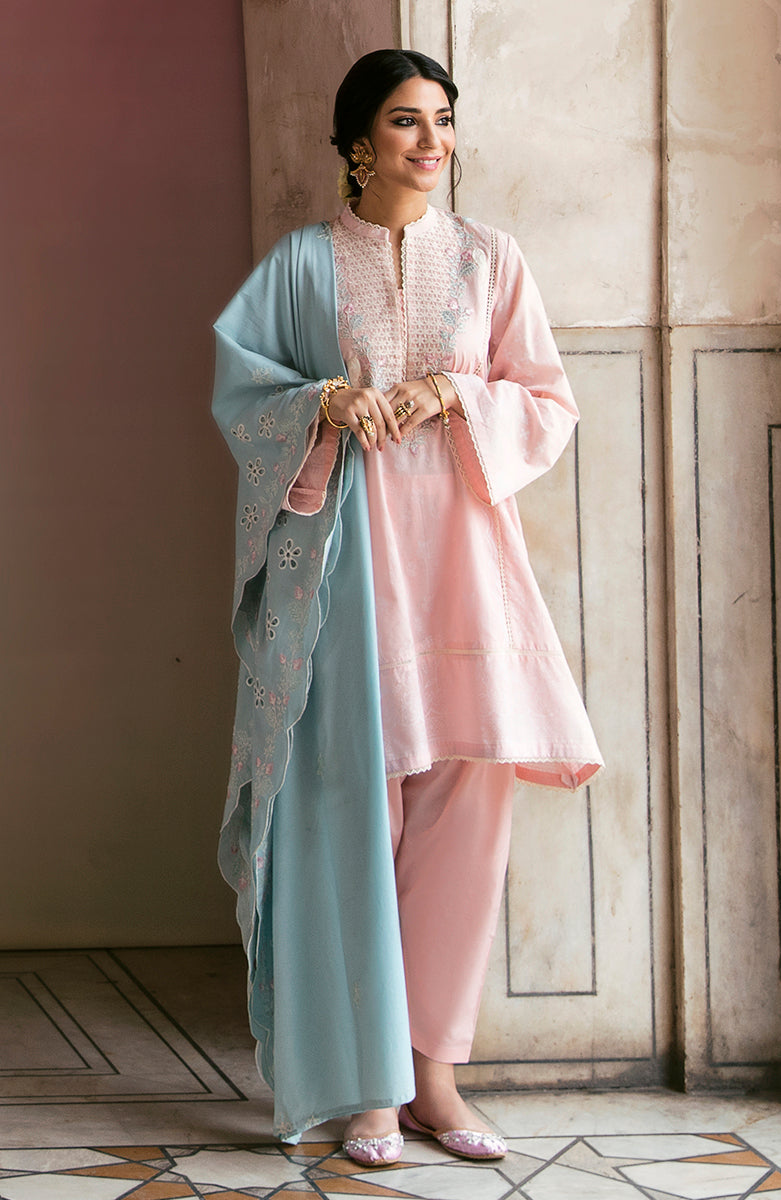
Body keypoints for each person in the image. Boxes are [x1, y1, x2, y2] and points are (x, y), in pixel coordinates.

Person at [212, 48, 602, 1167]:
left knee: (465, 816)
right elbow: (242, 392)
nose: (432, 142)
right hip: (345, 566)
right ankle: (367, 1083)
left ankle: (436, 1076)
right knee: (350, 815)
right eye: (404, 121)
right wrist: (327, 401)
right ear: (356, 142)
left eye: (442, 119)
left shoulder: (490, 259)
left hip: (464, 568)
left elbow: (547, 402)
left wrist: (452, 391)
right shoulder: (301, 265)